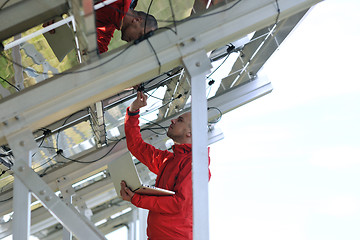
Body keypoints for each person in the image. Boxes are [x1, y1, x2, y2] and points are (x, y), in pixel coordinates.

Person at [121, 91, 211, 239]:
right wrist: (133, 111)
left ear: (190, 132)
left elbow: (179, 203)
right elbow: (136, 146)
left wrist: (137, 198)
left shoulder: (196, 165)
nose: (173, 121)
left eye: (180, 120)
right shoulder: (169, 161)